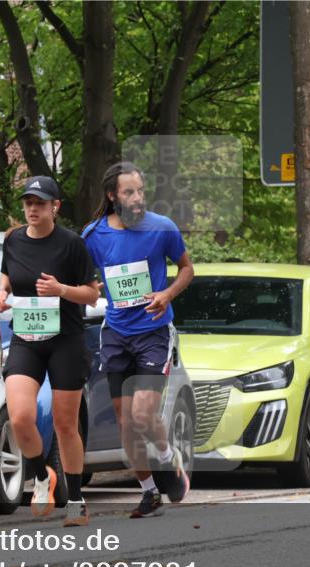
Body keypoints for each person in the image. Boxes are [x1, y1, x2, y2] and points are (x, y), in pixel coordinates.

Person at [82, 162, 194, 518]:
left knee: (143, 413)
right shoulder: (93, 235)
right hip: (115, 334)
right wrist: (90, 289)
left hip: (153, 332)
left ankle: (166, 461)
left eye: (141, 191)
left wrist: (167, 294)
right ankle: (149, 492)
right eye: (129, 192)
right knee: (126, 421)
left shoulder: (162, 228)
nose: (137, 198)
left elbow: (187, 269)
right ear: (112, 195)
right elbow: (87, 282)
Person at [0, 176, 100, 526]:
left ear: (55, 207)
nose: (32, 208)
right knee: (20, 416)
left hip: (65, 340)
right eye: (27, 202)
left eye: (40, 203)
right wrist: (1, 293)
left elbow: (92, 294)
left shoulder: (71, 244)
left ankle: (76, 500)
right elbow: (7, 275)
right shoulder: (12, 240)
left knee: (64, 423)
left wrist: (60, 289)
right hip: (27, 336)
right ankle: (41, 477)